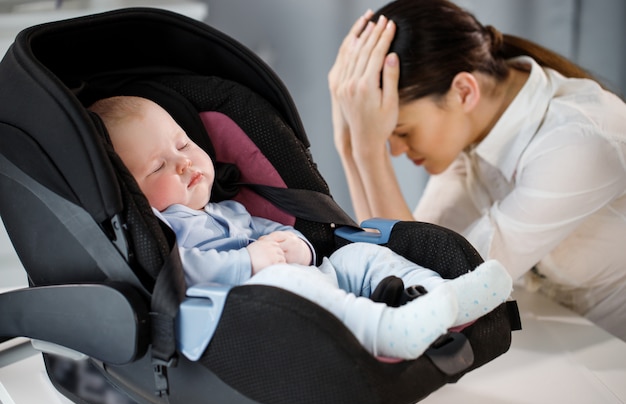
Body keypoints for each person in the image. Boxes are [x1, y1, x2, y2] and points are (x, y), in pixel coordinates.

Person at [89, 95, 512, 360]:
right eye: (158, 166)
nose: (183, 162)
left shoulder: (227, 210)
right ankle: (387, 331)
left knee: (358, 254)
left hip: (304, 279)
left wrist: (297, 245)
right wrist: (251, 260)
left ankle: (444, 296)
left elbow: (274, 230)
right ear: (132, 193)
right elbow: (183, 273)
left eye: (182, 144)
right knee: (289, 278)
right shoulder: (162, 227)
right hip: (243, 310)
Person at [328, 0, 626, 340]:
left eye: (402, 132)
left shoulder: (578, 143)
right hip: (566, 342)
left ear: (464, 91)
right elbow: (405, 269)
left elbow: (446, 285)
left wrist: (368, 151)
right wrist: (349, 147)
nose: (393, 150)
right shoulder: (475, 136)